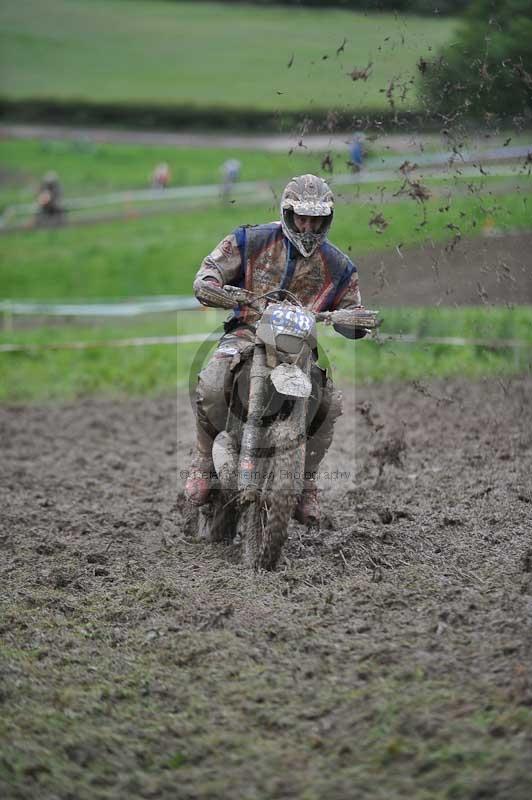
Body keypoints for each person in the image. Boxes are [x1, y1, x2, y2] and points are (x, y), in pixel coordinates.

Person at [185, 174, 367, 526]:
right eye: (302, 217)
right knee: (211, 383)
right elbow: (209, 272)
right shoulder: (249, 239)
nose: (309, 226)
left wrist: (355, 321)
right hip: (246, 333)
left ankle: (307, 482)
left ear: (327, 219)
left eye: (317, 219)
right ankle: (203, 463)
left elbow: (353, 308)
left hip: (296, 347)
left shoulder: (339, 266)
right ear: (288, 213)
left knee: (329, 403)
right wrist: (213, 286)